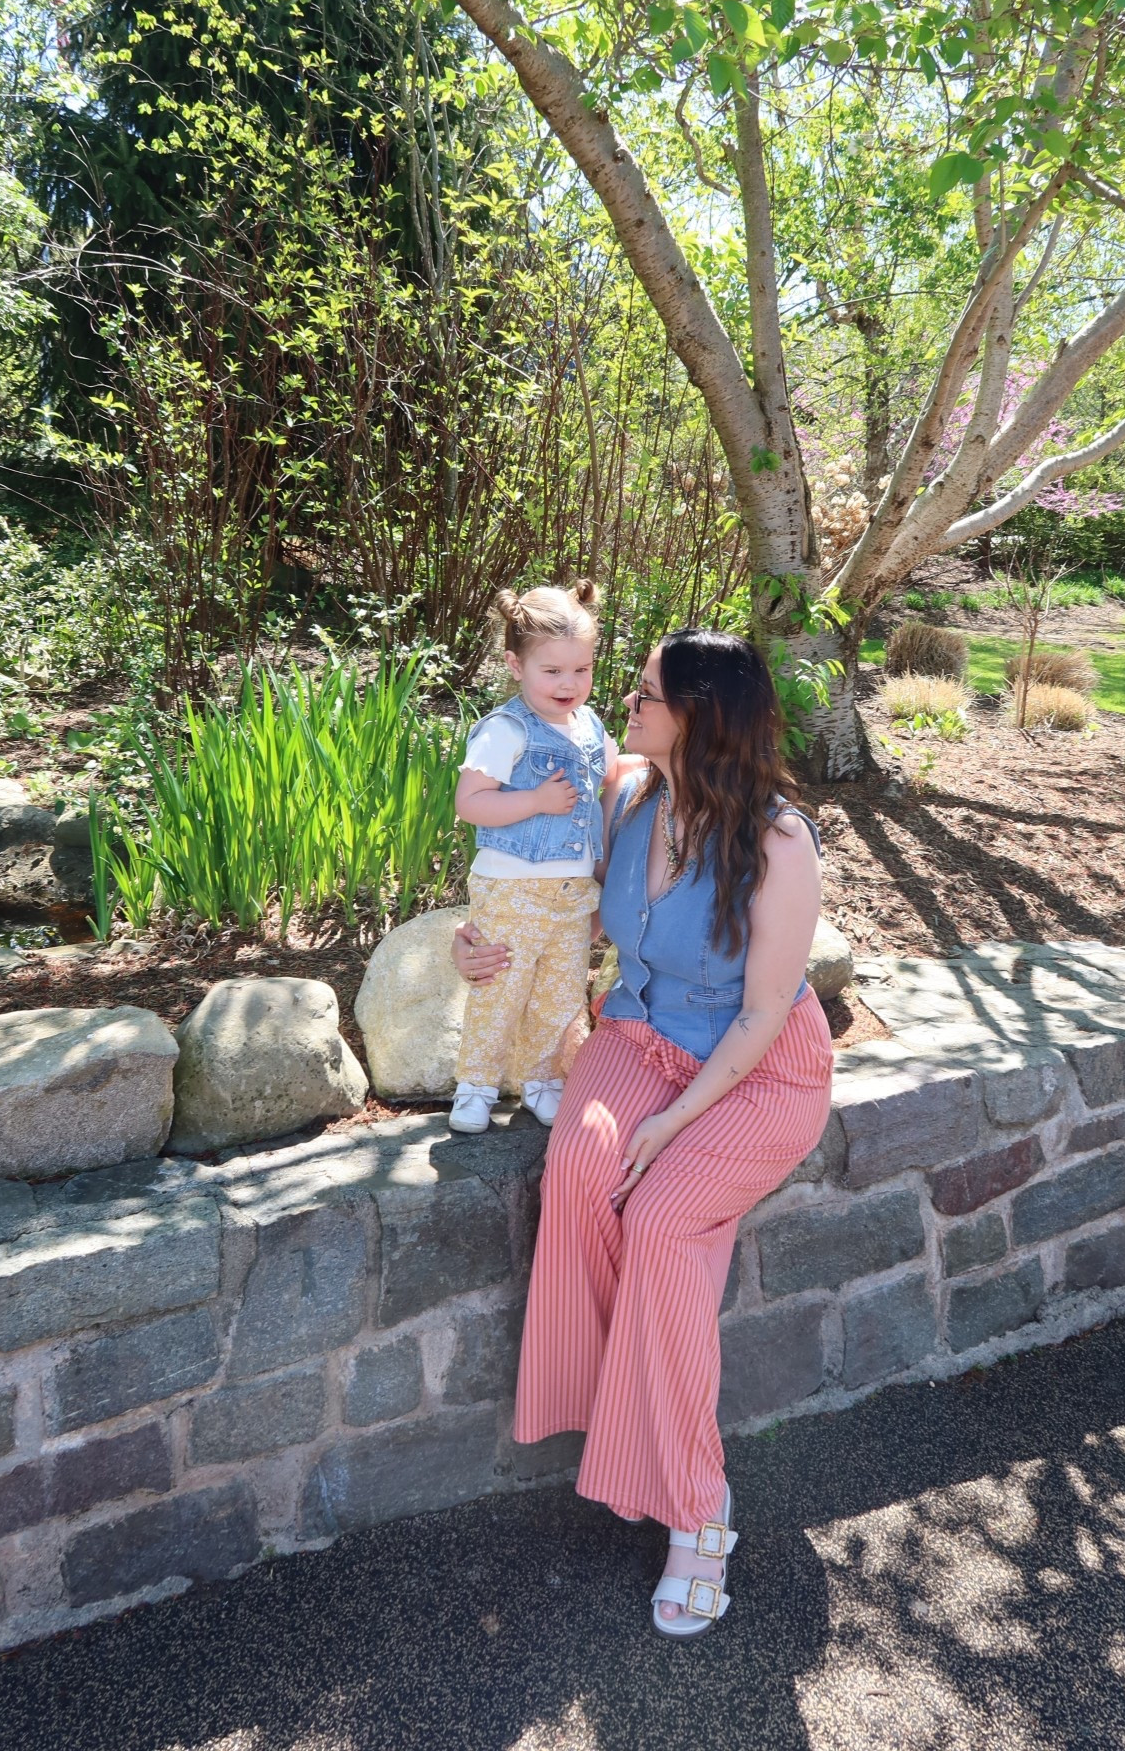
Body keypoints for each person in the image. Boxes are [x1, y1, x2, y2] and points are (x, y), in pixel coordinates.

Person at [453, 628, 833, 1636]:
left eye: (644, 691)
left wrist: (670, 1122)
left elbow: (759, 1018)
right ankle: (619, 1418)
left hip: (750, 1071)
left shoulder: (781, 842)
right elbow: (555, 902)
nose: (622, 699)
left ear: (698, 715)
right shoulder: (625, 792)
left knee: (663, 1220)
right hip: (635, 1030)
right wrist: (477, 938)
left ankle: (699, 1509)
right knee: (578, 1168)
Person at [449, 580, 620, 1134]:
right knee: (501, 985)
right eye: (553, 672)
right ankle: (475, 1086)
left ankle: (541, 1081)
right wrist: (536, 801)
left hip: (573, 891)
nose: (569, 684)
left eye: (582, 670)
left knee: (560, 993)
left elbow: (607, 788)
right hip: (513, 885)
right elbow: (470, 803)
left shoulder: (591, 727)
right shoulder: (505, 730)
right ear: (514, 665)